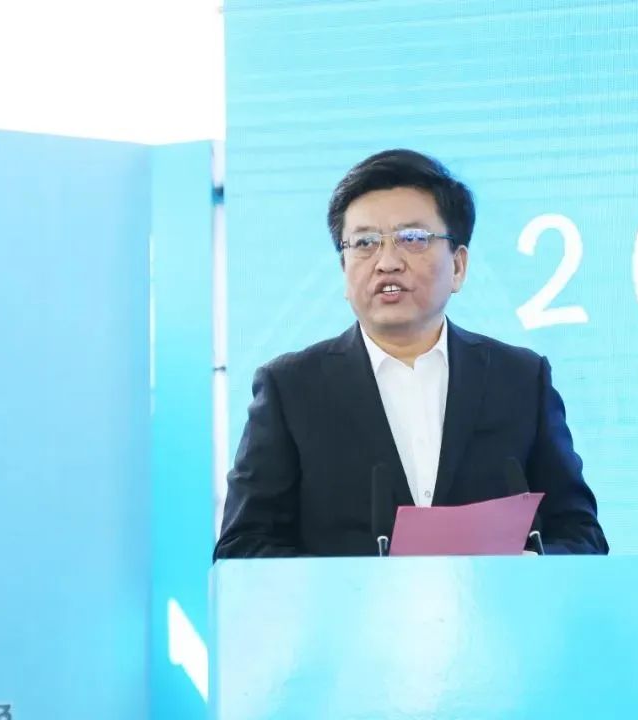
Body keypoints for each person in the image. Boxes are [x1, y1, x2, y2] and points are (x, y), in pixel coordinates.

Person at [213, 149, 608, 558]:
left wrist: (527, 567)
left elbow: (582, 535)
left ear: (458, 266)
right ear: (344, 270)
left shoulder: (520, 379)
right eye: (365, 243)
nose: (387, 262)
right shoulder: (291, 388)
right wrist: (346, 585)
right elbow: (242, 548)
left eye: (413, 239)